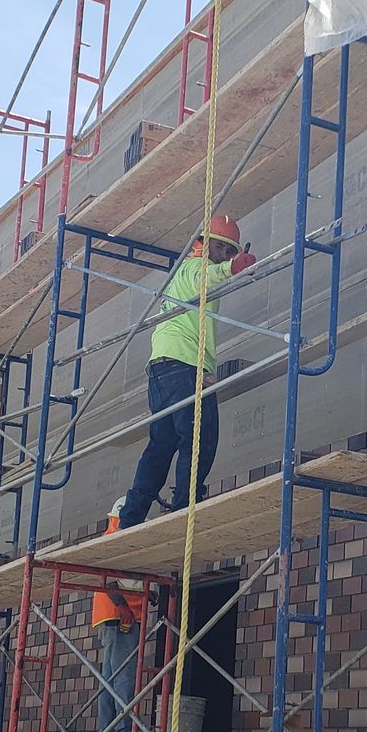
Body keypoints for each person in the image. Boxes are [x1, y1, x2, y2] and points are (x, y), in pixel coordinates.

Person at [119, 214, 255, 527]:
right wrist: (234, 267)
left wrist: (231, 267)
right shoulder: (195, 267)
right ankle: (184, 506)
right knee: (200, 438)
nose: (226, 256)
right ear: (205, 245)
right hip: (184, 366)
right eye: (224, 249)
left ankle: (131, 516)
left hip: (161, 368)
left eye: (231, 252)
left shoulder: (180, 272)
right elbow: (208, 276)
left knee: (161, 444)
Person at [91, 497, 146, 732]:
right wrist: (123, 606)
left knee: (110, 679)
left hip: (114, 614)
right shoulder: (117, 536)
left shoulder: (112, 534)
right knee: (124, 678)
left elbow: (123, 579)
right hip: (119, 614)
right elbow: (107, 577)